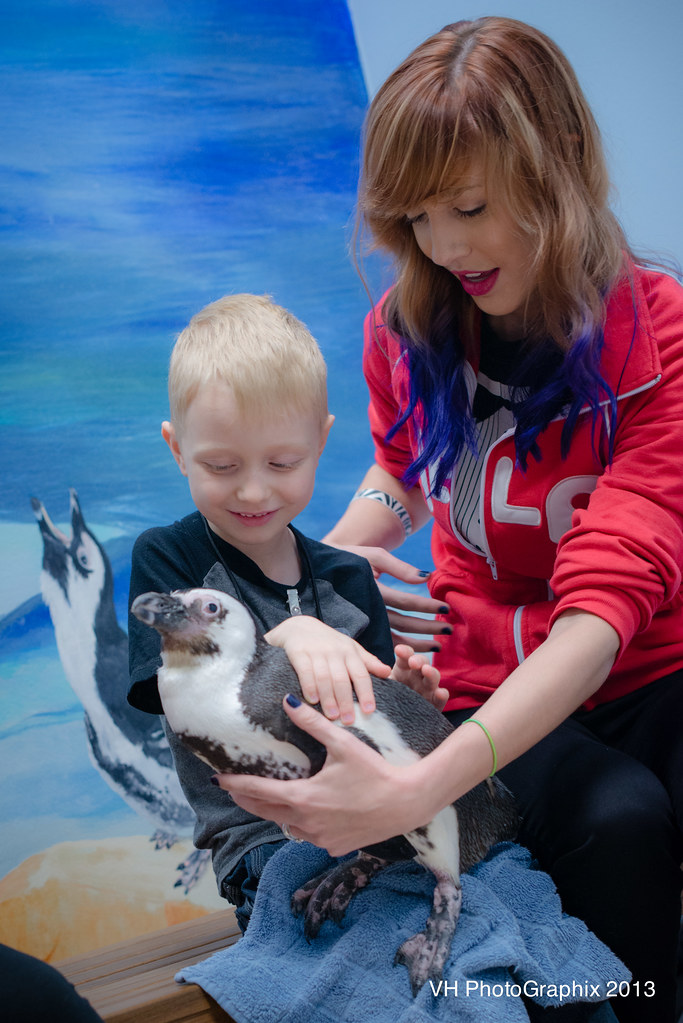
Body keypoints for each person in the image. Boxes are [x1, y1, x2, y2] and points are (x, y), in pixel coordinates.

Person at [215, 18, 683, 1023]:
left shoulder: (660, 334)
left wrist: (418, 790)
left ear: (556, 164)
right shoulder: (404, 329)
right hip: (491, 681)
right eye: (415, 217)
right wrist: (314, 574)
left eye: (466, 206)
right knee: (620, 820)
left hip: (645, 670)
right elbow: (403, 477)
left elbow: (602, 613)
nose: (442, 246)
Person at [126, 293, 440, 930]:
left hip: (369, 821)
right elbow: (181, 692)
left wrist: (407, 697)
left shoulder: (349, 577)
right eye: (221, 464)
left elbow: (374, 727)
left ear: (320, 443)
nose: (252, 490)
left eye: (282, 462)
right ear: (177, 449)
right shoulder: (171, 560)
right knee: (346, 926)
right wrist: (294, 635)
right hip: (258, 840)